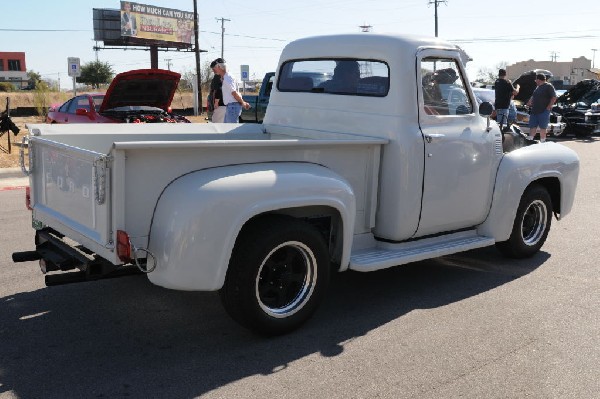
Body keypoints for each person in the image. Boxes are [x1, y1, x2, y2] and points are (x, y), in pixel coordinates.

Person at [211, 58, 250, 123]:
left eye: (214, 68)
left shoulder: (227, 77)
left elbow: (234, 93)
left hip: (233, 107)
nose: (214, 70)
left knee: (230, 131)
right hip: (231, 106)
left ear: (219, 66)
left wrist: (243, 103)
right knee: (227, 129)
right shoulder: (227, 77)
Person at [526, 73, 557, 142]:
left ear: (539, 79)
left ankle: (543, 141)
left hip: (543, 111)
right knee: (532, 126)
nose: (535, 81)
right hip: (534, 111)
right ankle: (530, 140)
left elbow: (554, 97)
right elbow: (533, 96)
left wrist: (549, 107)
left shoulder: (548, 86)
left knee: (543, 127)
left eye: (536, 80)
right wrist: (529, 102)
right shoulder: (538, 88)